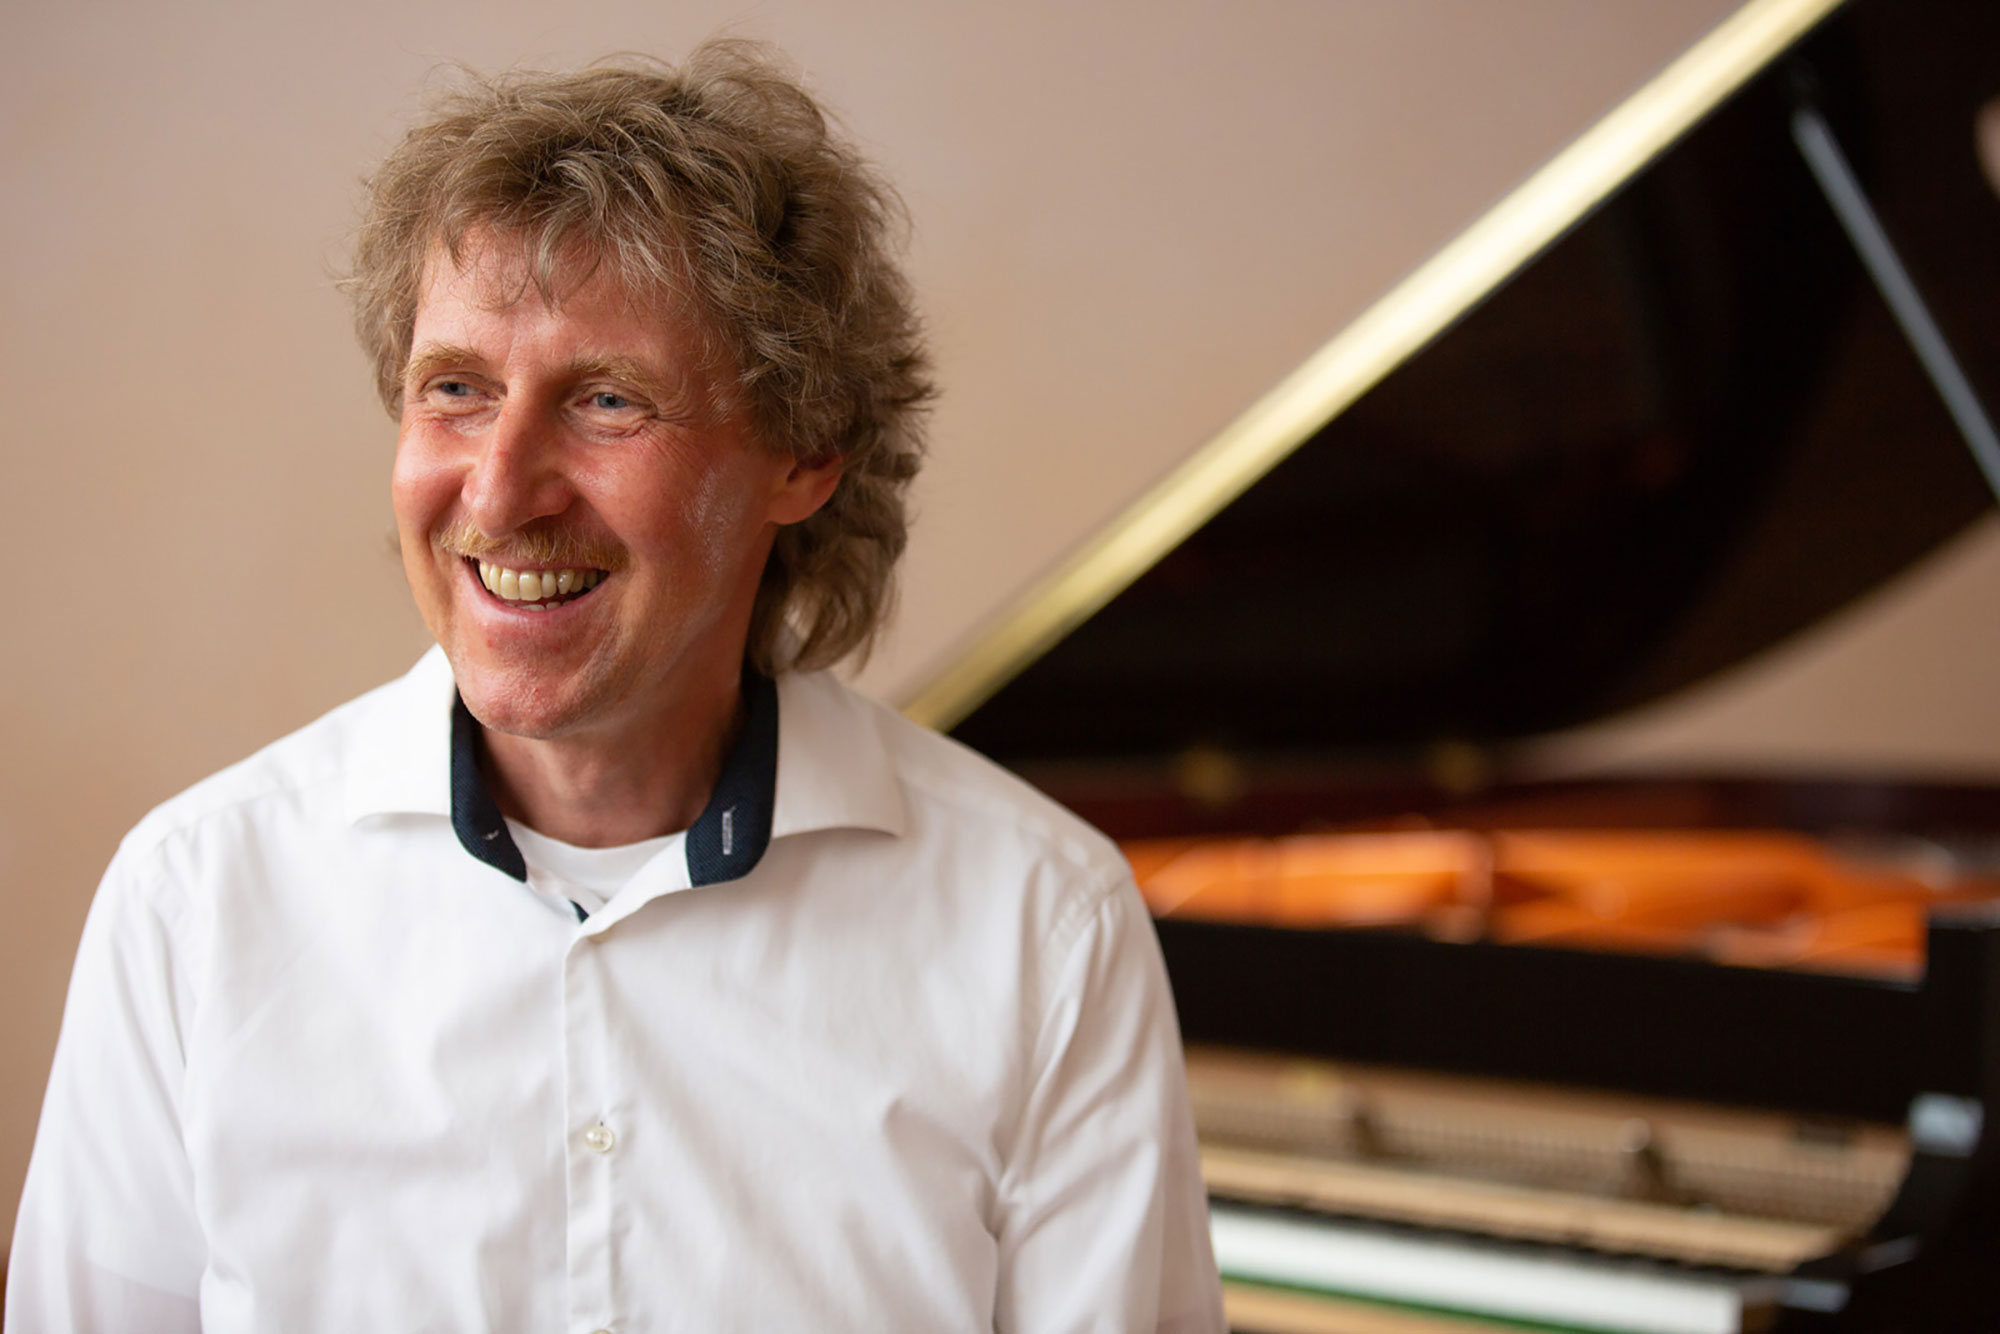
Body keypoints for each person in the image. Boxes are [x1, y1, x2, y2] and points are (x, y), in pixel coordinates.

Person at [5, 42, 1223, 1334]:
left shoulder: (1045, 925)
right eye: (456, 389)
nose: (499, 492)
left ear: (804, 453)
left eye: (605, 400)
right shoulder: (195, 899)